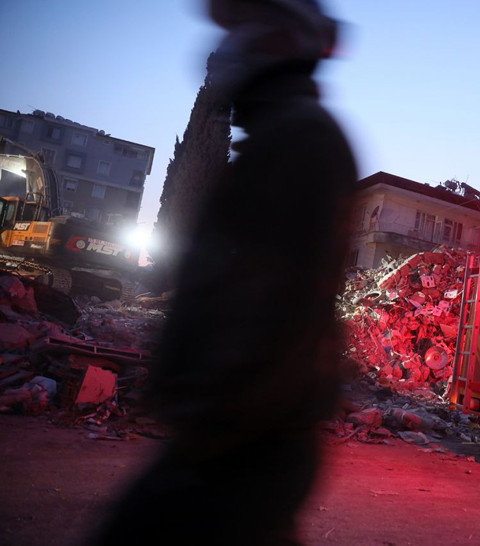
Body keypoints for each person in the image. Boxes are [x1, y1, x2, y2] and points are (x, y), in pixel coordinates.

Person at [89, 1, 357, 544]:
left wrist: (217, 411)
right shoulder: (282, 137)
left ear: (283, 38)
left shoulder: (300, 139)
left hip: (245, 437)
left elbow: (275, 294)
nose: (230, 45)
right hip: (238, 433)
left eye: (247, 26)